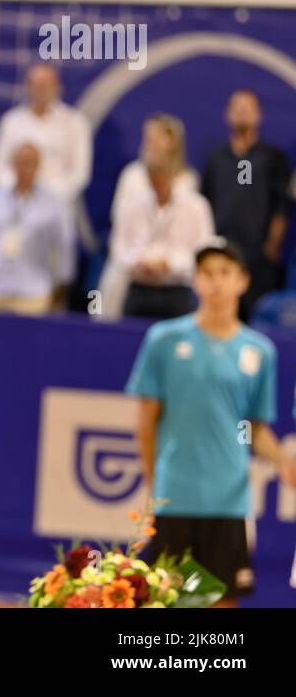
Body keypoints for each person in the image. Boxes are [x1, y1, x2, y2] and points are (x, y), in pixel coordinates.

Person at [126, 239, 296, 604]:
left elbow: (255, 428)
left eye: (225, 273)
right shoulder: (163, 340)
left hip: (229, 501)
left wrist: (284, 461)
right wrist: (154, 481)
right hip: (175, 498)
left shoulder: (259, 351)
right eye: (207, 273)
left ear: (243, 281)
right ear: (195, 280)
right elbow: (145, 421)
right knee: (165, 599)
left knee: (220, 599)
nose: (216, 282)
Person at [199, 88, 293, 319]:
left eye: (247, 108)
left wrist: (271, 246)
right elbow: (204, 202)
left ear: (258, 115)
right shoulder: (215, 158)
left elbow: (282, 206)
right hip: (220, 252)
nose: (242, 113)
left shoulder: (272, 157)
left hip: (258, 258)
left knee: (257, 317)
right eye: (237, 108)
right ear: (227, 114)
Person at [97, 113, 202, 318]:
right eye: (148, 136)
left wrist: (167, 263)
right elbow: (120, 224)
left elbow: (193, 238)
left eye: (158, 137)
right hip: (131, 275)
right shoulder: (131, 176)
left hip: (175, 283)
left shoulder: (188, 180)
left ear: (172, 141)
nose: (151, 142)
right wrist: (141, 260)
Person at [0, 142, 76, 314]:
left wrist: (62, 283)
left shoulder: (54, 205)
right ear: (14, 164)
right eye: (21, 162)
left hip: (33, 291)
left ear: (38, 167)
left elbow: (63, 245)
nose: (25, 168)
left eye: (30, 163)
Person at [0, 63, 92, 209]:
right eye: (37, 86)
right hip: (15, 206)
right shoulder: (11, 121)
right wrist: (20, 193)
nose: (41, 91)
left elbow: (80, 173)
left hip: (58, 206)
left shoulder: (74, 122)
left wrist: (48, 197)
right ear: (28, 87)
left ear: (58, 87)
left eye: (46, 86)